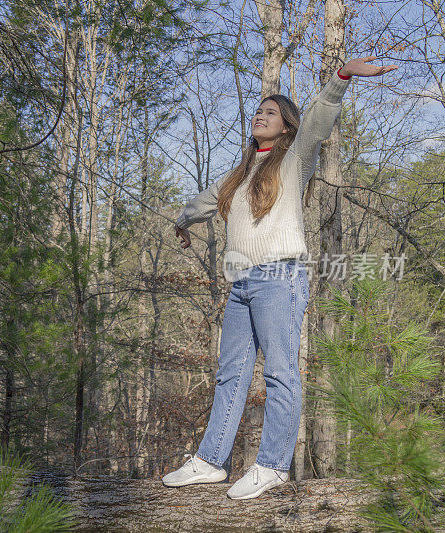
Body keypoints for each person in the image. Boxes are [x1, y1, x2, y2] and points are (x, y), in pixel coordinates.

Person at [163, 56, 398, 499]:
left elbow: (318, 120)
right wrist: (182, 222)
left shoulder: (295, 160)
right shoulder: (239, 174)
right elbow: (203, 201)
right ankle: (211, 461)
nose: (260, 114)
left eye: (271, 111)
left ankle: (272, 466)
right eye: (258, 110)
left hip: (279, 279)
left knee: (281, 374)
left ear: (286, 126)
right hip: (242, 286)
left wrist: (341, 78)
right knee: (230, 374)